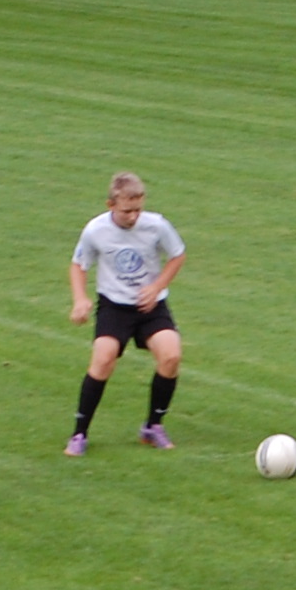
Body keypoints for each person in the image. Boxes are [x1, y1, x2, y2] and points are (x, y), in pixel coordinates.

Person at [65, 171, 185, 455]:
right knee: (103, 360)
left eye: (138, 210)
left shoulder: (156, 225)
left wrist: (157, 287)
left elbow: (177, 255)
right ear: (111, 205)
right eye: (127, 211)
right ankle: (79, 434)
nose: (133, 217)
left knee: (171, 356)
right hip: (114, 307)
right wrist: (80, 299)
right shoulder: (95, 230)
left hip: (150, 307)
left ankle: (153, 427)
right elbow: (78, 265)